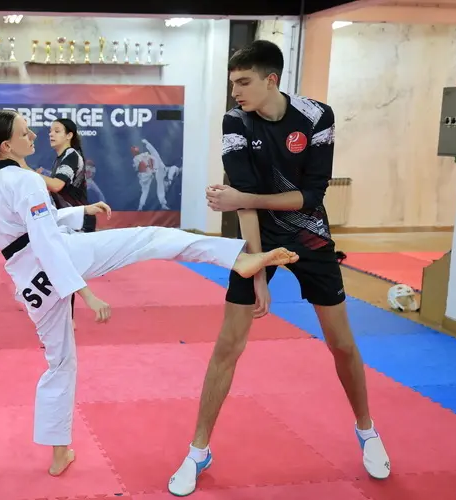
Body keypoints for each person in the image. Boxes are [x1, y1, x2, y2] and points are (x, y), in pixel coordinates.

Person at [0, 109, 299, 478]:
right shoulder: (27, 180)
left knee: (59, 362)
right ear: (6, 145)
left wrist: (82, 212)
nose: (33, 135)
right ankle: (237, 259)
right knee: (151, 238)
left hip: (28, 281)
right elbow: (46, 241)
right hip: (58, 259)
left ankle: (58, 454)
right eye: (24, 132)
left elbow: (27, 228)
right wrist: (86, 293)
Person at [167, 40, 390, 497]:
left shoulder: (316, 116)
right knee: (227, 346)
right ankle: (197, 449)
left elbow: (309, 196)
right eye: (232, 83)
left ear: (271, 80)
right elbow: (244, 201)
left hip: (310, 236)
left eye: (243, 82)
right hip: (259, 237)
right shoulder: (236, 121)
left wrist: (243, 198)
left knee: (341, 344)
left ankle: (367, 430)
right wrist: (257, 267)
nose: (235, 93)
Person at [35, 118, 94, 328]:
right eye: (50, 131)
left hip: (77, 220)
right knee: (60, 267)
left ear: (69, 135)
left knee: (65, 268)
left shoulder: (71, 155)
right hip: (67, 218)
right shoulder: (61, 157)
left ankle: (69, 318)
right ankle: (66, 317)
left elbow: (57, 185)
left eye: (57, 131)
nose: (51, 134)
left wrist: (27, 173)